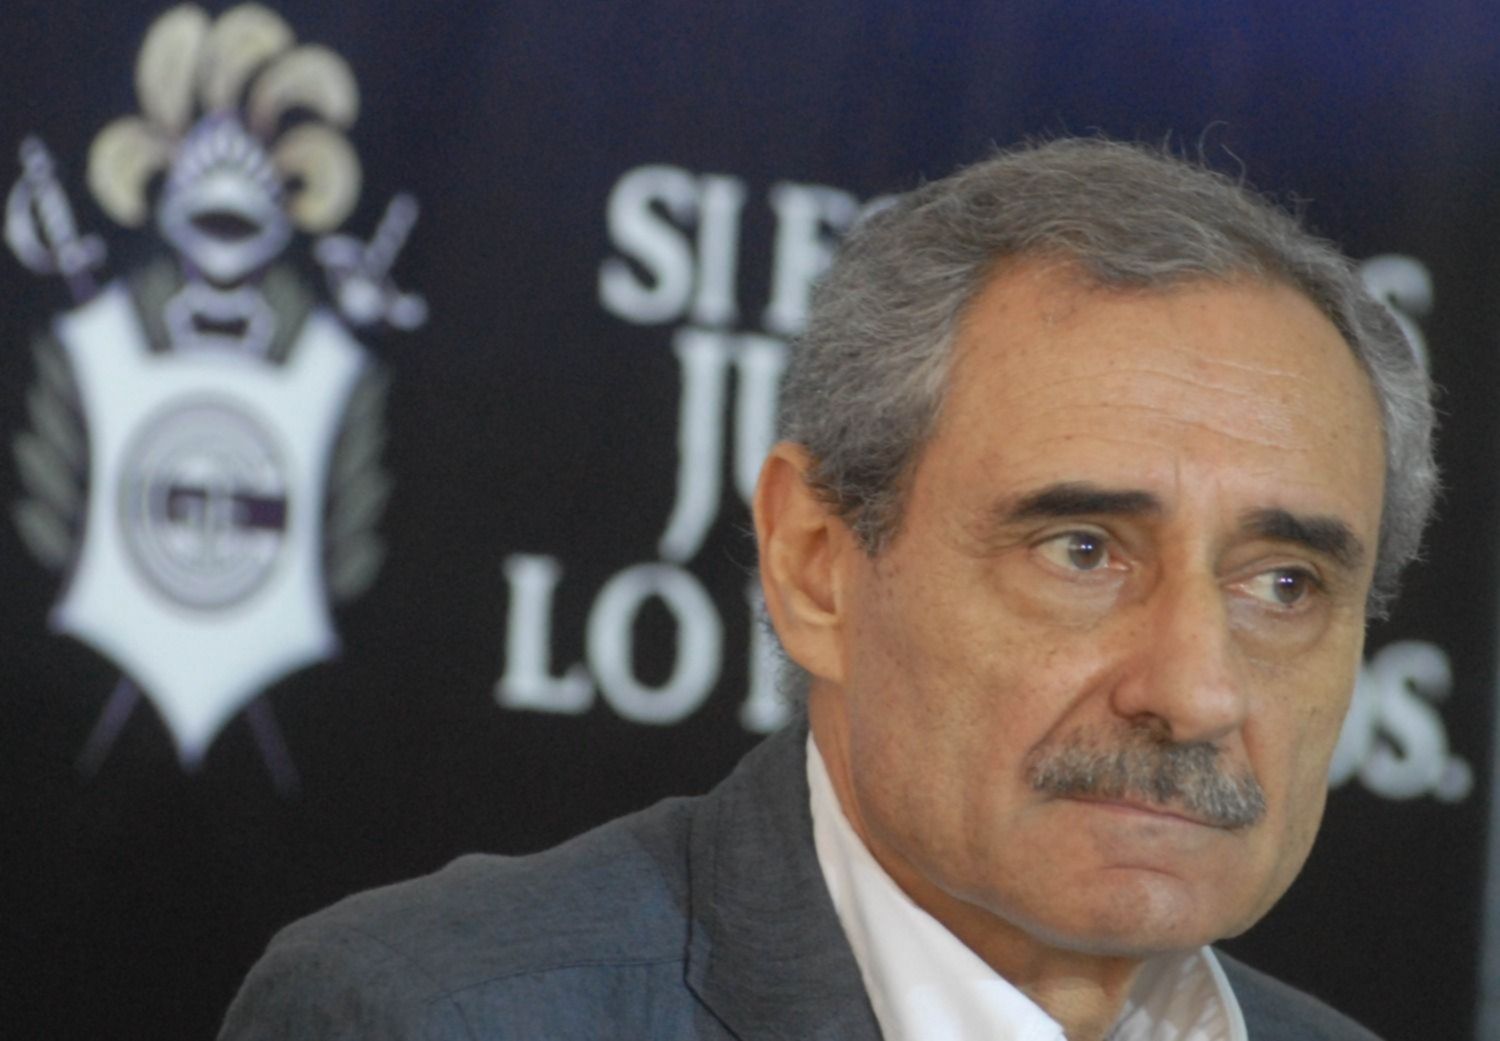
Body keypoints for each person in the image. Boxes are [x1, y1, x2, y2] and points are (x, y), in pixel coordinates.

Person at [218, 138, 1437, 1041]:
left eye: (1285, 584)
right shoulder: (432, 1018)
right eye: (1082, 550)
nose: (1196, 690)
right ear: (815, 565)